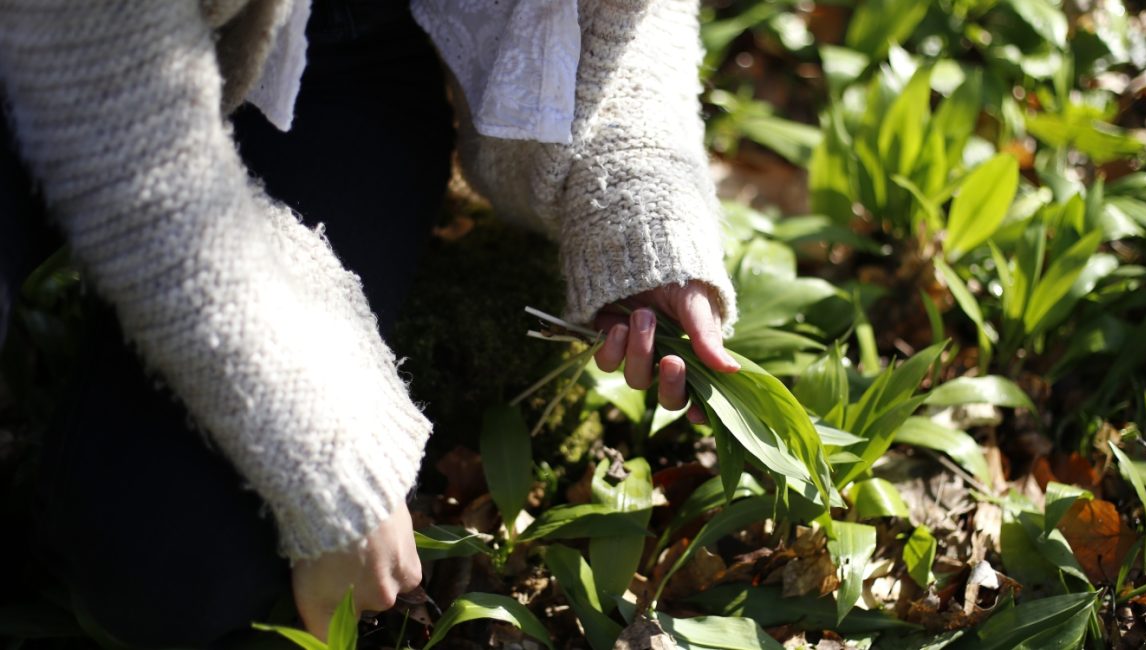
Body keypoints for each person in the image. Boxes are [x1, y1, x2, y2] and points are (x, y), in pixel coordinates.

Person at [0, 0, 737, 646]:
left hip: (338, 56)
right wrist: (322, 427)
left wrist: (642, 214)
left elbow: (629, 17)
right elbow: (120, 126)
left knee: (170, 558)